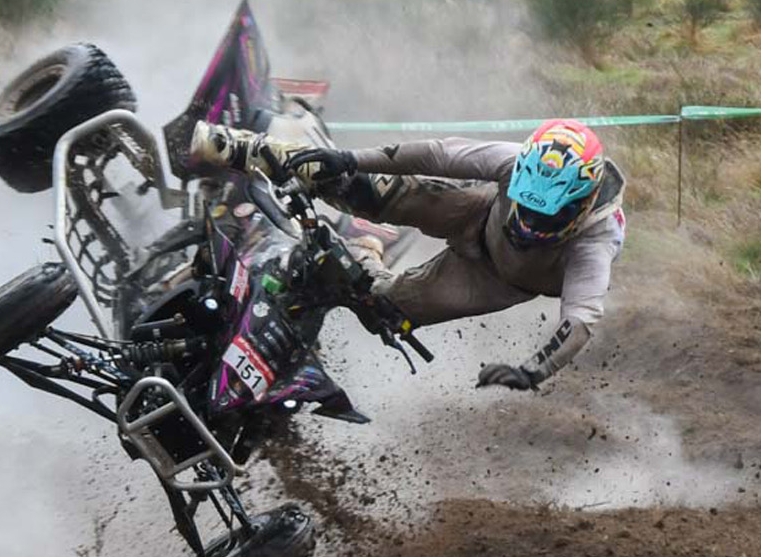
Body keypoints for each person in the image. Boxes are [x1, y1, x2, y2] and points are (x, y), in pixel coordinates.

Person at [191, 119, 626, 392]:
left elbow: (580, 320)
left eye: (548, 214)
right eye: (527, 204)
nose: (531, 222)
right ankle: (241, 147)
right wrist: (347, 158)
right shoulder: (515, 161)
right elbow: (439, 154)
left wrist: (533, 371)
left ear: (583, 202)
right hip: (481, 212)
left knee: (379, 308)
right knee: (358, 183)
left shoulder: (595, 240)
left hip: (495, 282)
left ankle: (363, 251)